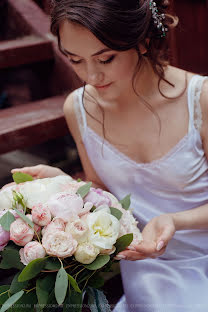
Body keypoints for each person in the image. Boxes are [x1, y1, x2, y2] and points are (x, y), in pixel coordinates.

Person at [9, 0, 208, 311]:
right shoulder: (78, 108)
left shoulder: (200, 99)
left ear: (142, 42)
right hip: (149, 264)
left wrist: (174, 220)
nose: (91, 75)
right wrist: (67, 188)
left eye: (105, 59)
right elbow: (106, 193)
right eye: (75, 60)